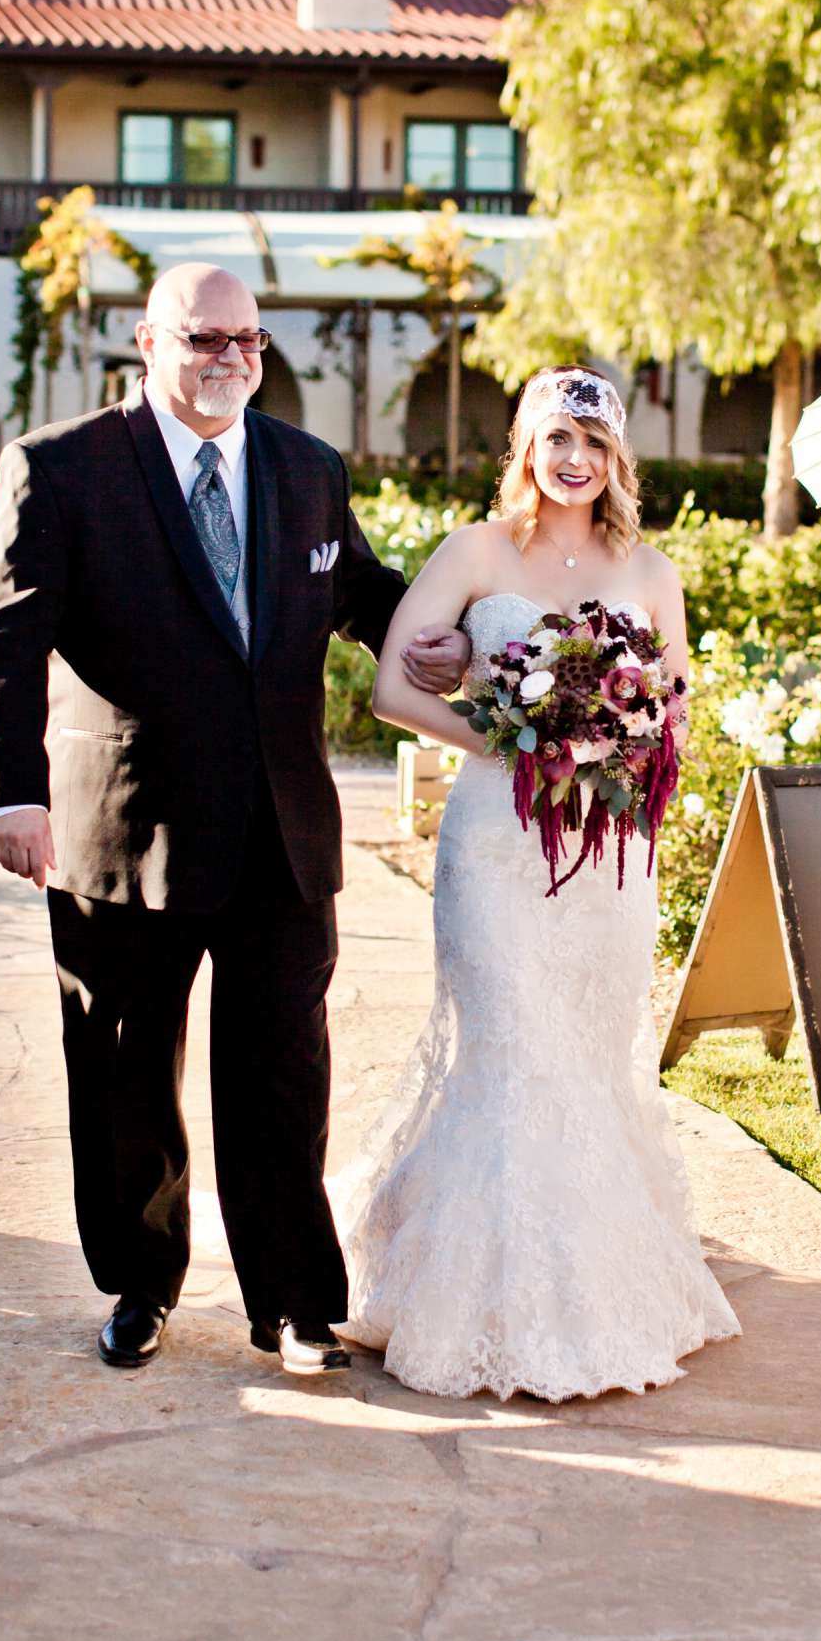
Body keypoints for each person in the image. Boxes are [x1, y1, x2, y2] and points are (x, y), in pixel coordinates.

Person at [0, 262, 468, 1376]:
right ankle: (140, 1287)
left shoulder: (305, 469)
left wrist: (445, 635)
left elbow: (361, 594)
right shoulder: (62, 469)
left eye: (247, 339)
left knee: (284, 1074)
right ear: (147, 341)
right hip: (122, 833)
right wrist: (12, 792)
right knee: (124, 1076)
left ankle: (292, 1302)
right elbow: (7, 639)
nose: (231, 358)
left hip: (282, 834)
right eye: (204, 339)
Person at [333, 366, 740, 1400]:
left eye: (592, 445)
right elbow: (388, 686)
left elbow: (674, 710)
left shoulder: (648, 569)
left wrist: (620, 742)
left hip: (607, 856)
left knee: (591, 1056)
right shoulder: (477, 551)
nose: (573, 461)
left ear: (615, 460)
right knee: (510, 1049)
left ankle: (603, 1289)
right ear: (526, 446)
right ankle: (481, 1304)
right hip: (498, 844)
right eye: (556, 440)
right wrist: (520, 738)